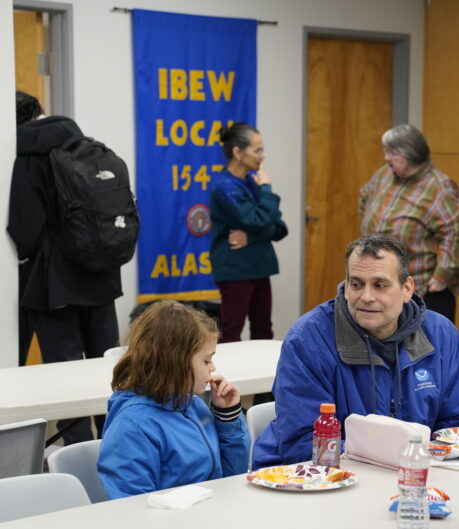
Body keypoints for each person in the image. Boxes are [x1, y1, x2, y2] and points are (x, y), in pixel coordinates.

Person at [252, 233, 459, 468]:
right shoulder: (308, 340)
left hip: (407, 476)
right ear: (347, 287)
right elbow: (304, 444)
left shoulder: (441, 335)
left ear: (407, 288)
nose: (366, 297)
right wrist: (394, 460)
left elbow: (456, 428)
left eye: (380, 285)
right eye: (357, 284)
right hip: (307, 478)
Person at [8, 91, 121, 444]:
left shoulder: (28, 157)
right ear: (41, 109)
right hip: (102, 277)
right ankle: (117, 445)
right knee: (109, 371)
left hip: (54, 284)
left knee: (66, 377)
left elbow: (24, 228)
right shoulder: (90, 146)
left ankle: (79, 460)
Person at [97, 300, 250, 499]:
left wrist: (228, 416)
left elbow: (231, 478)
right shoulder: (133, 425)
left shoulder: (193, 404)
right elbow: (130, 507)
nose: (212, 367)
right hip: (173, 527)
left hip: (209, 516)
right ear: (175, 362)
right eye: (206, 360)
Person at [359, 124, 459, 323]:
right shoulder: (385, 174)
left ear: (410, 154)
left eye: (392, 152)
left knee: (421, 350)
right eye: (386, 151)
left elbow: (455, 235)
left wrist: (442, 277)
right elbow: (364, 197)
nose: (386, 158)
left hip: (421, 291)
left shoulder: (440, 188)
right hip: (380, 284)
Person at [210, 122, 288, 344]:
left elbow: (280, 228)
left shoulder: (251, 182)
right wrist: (266, 189)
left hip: (260, 267)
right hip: (236, 270)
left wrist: (252, 236)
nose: (262, 156)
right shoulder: (225, 187)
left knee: (264, 330)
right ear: (237, 152)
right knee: (231, 333)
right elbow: (262, 220)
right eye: (257, 150)